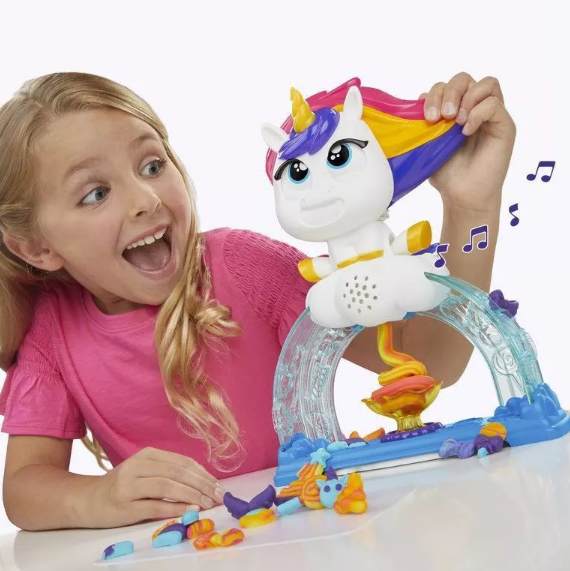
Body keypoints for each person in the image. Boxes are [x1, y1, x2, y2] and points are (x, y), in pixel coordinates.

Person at [0, 71, 516, 531]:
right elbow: (23, 489)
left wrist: (471, 205)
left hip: (311, 537)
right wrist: (98, 497)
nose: (145, 199)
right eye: (95, 194)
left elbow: (434, 360)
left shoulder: (244, 267)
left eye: (152, 165)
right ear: (36, 248)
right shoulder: (52, 334)